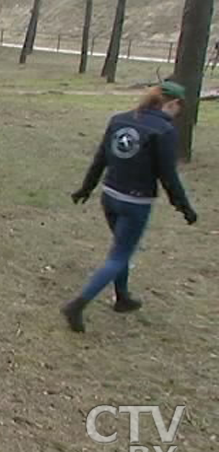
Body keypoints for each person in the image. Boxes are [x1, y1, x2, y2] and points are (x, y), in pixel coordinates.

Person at [63, 80, 198, 333]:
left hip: (110, 196)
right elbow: (168, 175)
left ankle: (122, 297)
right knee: (119, 255)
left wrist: (86, 188)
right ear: (173, 103)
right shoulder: (164, 131)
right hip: (135, 202)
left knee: (121, 248)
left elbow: (100, 159)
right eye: (180, 107)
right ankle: (77, 305)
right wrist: (184, 206)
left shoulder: (120, 120)